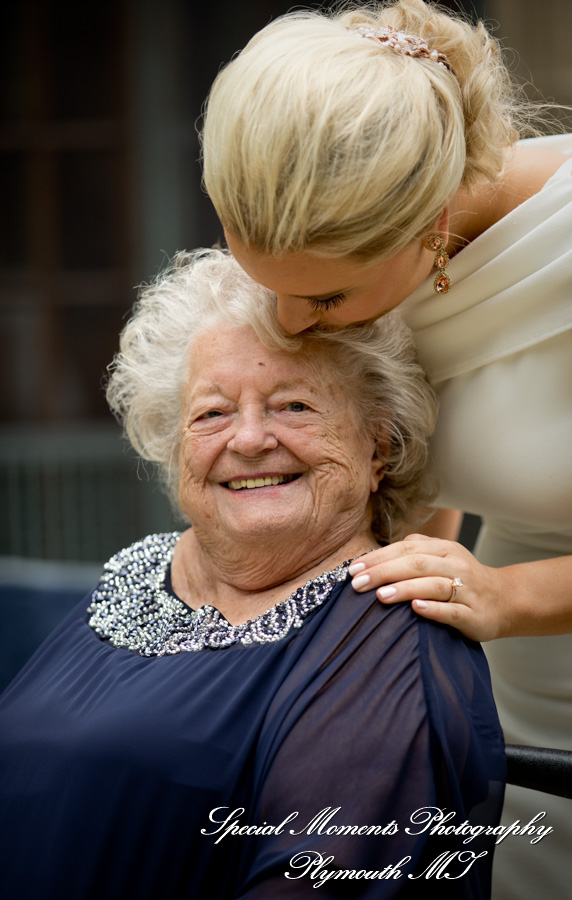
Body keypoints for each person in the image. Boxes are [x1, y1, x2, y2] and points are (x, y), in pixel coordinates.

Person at [200, 1, 572, 896]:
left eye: (325, 299)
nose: (293, 325)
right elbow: (423, 474)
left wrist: (499, 593)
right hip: (518, 683)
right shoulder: (350, 245)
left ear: (430, 223)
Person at [0, 249, 505, 899]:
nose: (247, 439)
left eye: (292, 405)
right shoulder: (136, 574)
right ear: (176, 445)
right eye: (211, 413)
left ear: (377, 444)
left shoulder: (383, 632)